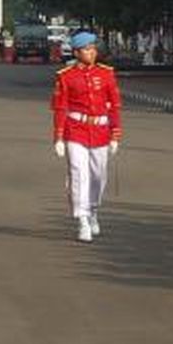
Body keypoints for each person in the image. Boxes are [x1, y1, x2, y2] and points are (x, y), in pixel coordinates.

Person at [52, 31, 123, 242]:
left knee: (98, 175)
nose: (91, 53)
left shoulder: (106, 74)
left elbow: (115, 106)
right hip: (76, 130)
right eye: (86, 50)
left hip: (100, 131)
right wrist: (58, 137)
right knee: (78, 173)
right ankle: (82, 218)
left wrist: (115, 134)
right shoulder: (65, 76)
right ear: (76, 52)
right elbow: (60, 108)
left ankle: (93, 209)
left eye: (93, 49)